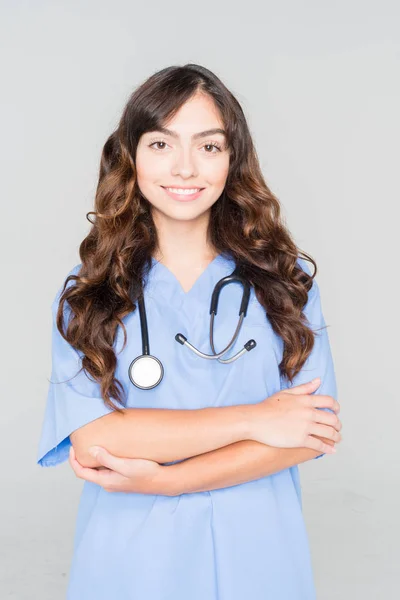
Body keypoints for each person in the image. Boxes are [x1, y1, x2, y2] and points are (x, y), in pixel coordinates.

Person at [36, 63, 342, 600]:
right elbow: (98, 437)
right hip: (132, 563)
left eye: (208, 146)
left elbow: (308, 434)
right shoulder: (90, 293)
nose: (184, 168)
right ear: (131, 156)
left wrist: (165, 478)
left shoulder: (284, 282)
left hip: (260, 555)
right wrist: (257, 420)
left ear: (232, 159)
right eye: (160, 144)